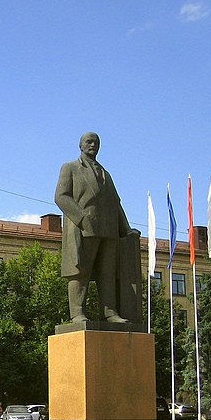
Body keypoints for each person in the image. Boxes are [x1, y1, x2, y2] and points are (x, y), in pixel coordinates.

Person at [55, 131, 140, 323]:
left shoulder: (105, 174)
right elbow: (61, 196)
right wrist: (82, 218)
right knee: (80, 270)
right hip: (84, 229)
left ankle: (109, 313)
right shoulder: (70, 168)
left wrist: (126, 229)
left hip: (109, 231)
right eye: (89, 142)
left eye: (96, 143)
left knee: (107, 273)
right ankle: (77, 313)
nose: (92, 145)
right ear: (81, 145)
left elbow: (116, 204)